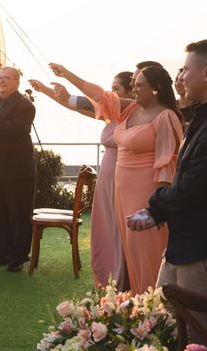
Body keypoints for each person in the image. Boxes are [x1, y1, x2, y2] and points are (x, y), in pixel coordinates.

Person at [50, 62, 183, 294]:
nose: (134, 89)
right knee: (129, 249)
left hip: (145, 194)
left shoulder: (166, 116)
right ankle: (138, 303)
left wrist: (158, 207)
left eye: (139, 85)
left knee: (146, 251)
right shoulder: (131, 109)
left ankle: (156, 306)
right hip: (121, 192)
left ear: (156, 88)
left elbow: (167, 165)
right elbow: (99, 96)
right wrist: (68, 75)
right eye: (132, 85)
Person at [127, 39, 207, 343]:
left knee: (195, 342)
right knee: (162, 326)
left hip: (198, 251)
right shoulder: (198, 116)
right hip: (180, 245)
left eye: (186, 69)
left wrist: (153, 207)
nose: (181, 76)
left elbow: (193, 186)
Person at [29, 71, 133, 290]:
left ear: (130, 93)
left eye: (116, 90)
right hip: (107, 176)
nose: (110, 94)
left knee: (119, 228)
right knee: (106, 228)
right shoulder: (111, 115)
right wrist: (47, 91)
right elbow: (78, 106)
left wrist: (67, 74)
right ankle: (110, 278)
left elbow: (89, 100)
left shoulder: (133, 115)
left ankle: (124, 278)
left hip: (123, 176)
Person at [0, 67, 35, 272]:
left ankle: (18, 257)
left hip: (19, 169)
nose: (1, 82)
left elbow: (13, 129)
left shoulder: (25, 105)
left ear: (17, 82)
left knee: (19, 214)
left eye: (6, 79)